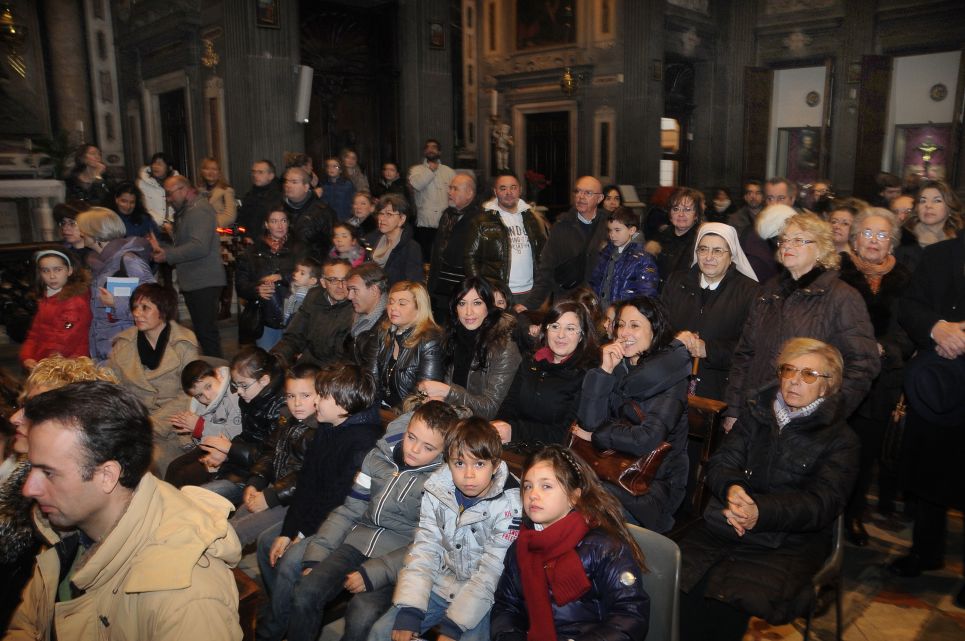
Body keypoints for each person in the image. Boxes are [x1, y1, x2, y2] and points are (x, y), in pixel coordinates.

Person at [8, 380, 242, 641]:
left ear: (107, 475)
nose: (28, 488)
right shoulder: (65, 527)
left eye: (49, 473)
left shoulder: (188, 601)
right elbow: (26, 627)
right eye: (33, 467)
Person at [678, 338, 859, 641]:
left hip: (788, 542)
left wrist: (760, 512)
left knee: (727, 602)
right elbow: (722, 461)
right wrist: (733, 489)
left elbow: (821, 503)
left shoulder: (841, 440)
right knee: (671, 584)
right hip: (726, 524)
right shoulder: (757, 414)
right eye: (789, 370)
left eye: (809, 374)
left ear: (827, 386)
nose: (794, 381)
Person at [282, 401, 459, 641]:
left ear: (443, 451)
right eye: (411, 437)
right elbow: (350, 509)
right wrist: (318, 554)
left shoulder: (441, 486)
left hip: (398, 559)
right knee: (306, 590)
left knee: (362, 613)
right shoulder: (378, 457)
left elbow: (425, 545)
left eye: (428, 447)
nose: (415, 449)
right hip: (357, 541)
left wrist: (372, 573)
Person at [256, 363, 382, 641]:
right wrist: (289, 530)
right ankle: (281, 611)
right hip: (319, 514)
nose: (315, 402)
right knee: (267, 542)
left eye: (321, 396)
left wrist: (301, 536)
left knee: (291, 561)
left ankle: (272, 630)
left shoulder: (363, 443)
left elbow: (338, 502)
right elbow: (308, 481)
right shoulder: (329, 425)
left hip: (344, 525)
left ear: (343, 404)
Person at [366, 417, 522, 641]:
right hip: (441, 581)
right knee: (381, 632)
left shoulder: (510, 505)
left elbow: (491, 572)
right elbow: (425, 548)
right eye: (459, 463)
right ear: (448, 462)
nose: (469, 475)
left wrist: (454, 626)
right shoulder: (436, 487)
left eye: (479, 464)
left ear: (495, 465)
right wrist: (411, 610)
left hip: (485, 596)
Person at [722, 213, 880, 433]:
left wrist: (825, 415)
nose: (787, 245)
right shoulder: (769, 290)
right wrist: (733, 409)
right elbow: (744, 354)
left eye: (798, 240)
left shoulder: (842, 297)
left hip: (806, 421)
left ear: (821, 248)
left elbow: (863, 364)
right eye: (784, 240)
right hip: (755, 413)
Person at [0, 356, 118, 635]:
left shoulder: (59, 508)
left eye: (34, 410)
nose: (15, 418)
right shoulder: (25, 480)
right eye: (21, 405)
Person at [491, 444, 650, 640]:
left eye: (546, 486)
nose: (533, 494)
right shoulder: (521, 547)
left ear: (574, 497)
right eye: (528, 486)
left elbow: (630, 614)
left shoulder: (604, 547)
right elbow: (506, 607)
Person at [890, 229, 965, 607]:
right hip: (937, 384)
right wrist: (938, 328)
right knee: (930, 471)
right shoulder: (938, 254)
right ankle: (925, 550)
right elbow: (910, 306)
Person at [574, 297, 691, 533]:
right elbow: (587, 422)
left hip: (649, 484)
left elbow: (646, 439)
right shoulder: (619, 364)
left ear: (655, 330)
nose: (624, 332)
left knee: (580, 512)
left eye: (635, 325)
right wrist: (604, 371)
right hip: (608, 469)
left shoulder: (670, 376)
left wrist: (597, 435)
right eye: (621, 325)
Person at [837, 208, 913, 544]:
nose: (874, 240)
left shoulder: (906, 280)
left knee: (865, 454)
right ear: (854, 239)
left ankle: (854, 514)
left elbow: (912, 328)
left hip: (883, 380)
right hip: (840, 375)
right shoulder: (837, 273)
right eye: (867, 233)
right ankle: (828, 517)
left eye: (882, 235)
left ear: (892, 243)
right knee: (832, 450)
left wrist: (886, 348)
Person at [106, 283, 200, 474]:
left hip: (173, 428)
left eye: (145, 308)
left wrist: (151, 425)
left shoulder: (184, 343)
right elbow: (113, 389)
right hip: (133, 424)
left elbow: (190, 393)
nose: (137, 313)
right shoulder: (123, 344)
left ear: (163, 311)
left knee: (149, 467)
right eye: (135, 307)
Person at [662, 222, 759, 401]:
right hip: (672, 383)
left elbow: (752, 347)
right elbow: (659, 327)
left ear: (731, 255)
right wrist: (676, 338)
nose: (708, 257)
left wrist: (710, 350)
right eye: (703, 249)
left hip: (719, 388)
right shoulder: (677, 282)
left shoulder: (750, 292)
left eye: (717, 251)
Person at [226, 363, 320, 545]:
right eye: (291, 396)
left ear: (321, 394)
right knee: (232, 523)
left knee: (238, 533)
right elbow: (270, 452)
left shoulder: (320, 431)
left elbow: (307, 475)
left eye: (305, 395)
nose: (297, 403)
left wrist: (271, 497)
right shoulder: (286, 419)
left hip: (294, 501)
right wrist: (256, 482)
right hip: (275, 490)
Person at [493, 300, 600, 445]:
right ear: (546, 330)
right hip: (511, 445)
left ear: (581, 336)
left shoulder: (586, 375)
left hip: (549, 452)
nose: (561, 335)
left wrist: (515, 431)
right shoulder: (531, 361)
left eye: (570, 329)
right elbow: (509, 405)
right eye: (555, 326)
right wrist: (497, 428)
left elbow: (565, 434)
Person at [418, 277, 521, 418]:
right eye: (462, 303)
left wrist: (448, 392)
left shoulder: (504, 347)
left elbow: (490, 409)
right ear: (455, 308)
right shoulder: (452, 337)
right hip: (452, 417)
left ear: (489, 306)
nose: (468, 312)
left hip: (481, 427)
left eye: (477, 303)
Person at [151, 175, 227, 357]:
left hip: (204, 281)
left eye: (170, 194)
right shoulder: (189, 210)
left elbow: (199, 246)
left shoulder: (199, 210)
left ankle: (217, 370)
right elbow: (186, 244)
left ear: (184, 189)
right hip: (197, 280)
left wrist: (167, 255)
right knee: (204, 333)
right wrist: (163, 248)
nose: (168, 199)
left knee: (207, 334)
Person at [75, 207, 155, 362]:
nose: (81, 234)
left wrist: (116, 303)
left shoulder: (129, 261)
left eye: (83, 229)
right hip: (104, 346)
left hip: (126, 348)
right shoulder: (97, 262)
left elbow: (154, 303)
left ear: (95, 232)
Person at [525, 175, 608, 309]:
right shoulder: (562, 226)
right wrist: (531, 304)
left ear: (600, 198)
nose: (581, 196)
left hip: (600, 304)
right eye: (578, 191)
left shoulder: (609, 226)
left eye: (588, 193)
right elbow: (546, 268)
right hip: (568, 302)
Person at [465, 173, 547, 306]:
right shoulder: (481, 221)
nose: (508, 192)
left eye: (513, 187)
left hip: (530, 292)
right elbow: (470, 258)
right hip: (497, 293)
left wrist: (540, 287)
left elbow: (544, 254)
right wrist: (481, 288)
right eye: (503, 188)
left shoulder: (533, 218)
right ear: (495, 191)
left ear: (520, 190)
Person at [363, 280, 443, 410]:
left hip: (407, 414)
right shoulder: (382, 332)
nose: (393, 308)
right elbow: (370, 378)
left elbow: (422, 396)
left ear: (419, 308)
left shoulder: (430, 341)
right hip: (378, 408)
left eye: (402, 303)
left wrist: (393, 415)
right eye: (391, 302)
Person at [163, 360, 244, 482]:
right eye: (199, 395)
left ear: (218, 375)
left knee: (185, 475)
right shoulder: (200, 404)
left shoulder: (235, 396)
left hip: (231, 453)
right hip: (210, 445)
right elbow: (201, 442)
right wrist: (194, 430)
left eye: (208, 386)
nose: (207, 396)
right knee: (173, 467)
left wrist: (199, 427)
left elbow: (232, 437)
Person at [235, 207, 299, 350]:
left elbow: (312, 276)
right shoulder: (251, 253)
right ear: (266, 225)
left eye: (283, 220)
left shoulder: (299, 249)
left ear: (288, 223)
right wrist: (257, 290)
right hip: (266, 317)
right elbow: (241, 286)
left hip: (295, 316)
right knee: (267, 358)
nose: (280, 225)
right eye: (274, 221)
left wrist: (283, 277)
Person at [271, 258, 354, 367]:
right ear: (323, 283)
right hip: (307, 365)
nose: (340, 286)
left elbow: (348, 357)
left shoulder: (357, 307)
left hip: (336, 372)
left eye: (345, 279)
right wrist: (274, 360)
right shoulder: (314, 296)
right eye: (333, 280)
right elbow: (294, 337)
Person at [20, 250, 92, 370]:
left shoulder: (75, 301)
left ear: (69, 270)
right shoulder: (47, 298)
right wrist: (27, 357)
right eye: (45, 271)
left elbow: (66, 338)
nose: (52, 276)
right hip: (48, 363)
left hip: (69, 365)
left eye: (58, 269)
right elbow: (35, 333)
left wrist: (43, 363)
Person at [428, 173, 480, 321]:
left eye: (455, 189)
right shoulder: (447, 214)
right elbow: (437, 249)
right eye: (450, 188)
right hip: (439, 287)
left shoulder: (479, 218)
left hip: (462, 289)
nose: (449, 192)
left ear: (469, 193)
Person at [589, 206, 659, 308]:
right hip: (602, 312)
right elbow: (595, 283)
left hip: (624, 314)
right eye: (610, 230)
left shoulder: (643, 260)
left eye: (617, 230)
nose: (612, 235)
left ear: (632, 230)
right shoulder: (606, 253)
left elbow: (647, 295)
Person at [898, 179, 963, 274]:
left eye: (937, 200)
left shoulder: (959, 244)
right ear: (916, 208)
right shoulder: (901, 240)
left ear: (949, 207)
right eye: (923, 201)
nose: (928, 205)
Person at [408, 138, 457, 258]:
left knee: (443, 257)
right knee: (425, 257)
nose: (430, 150)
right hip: (425, 223)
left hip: (445, 223)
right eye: (427, 147)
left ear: (439, 152)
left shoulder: (449, 171)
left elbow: (454, 195)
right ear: (424, 151)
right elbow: (417, 185)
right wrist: (430, 170)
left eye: (434, 147)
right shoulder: (416, 170)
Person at [366, 193, 424, 285]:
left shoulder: (411, 248)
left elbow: (413, 284)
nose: (382, 218)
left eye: (389, 214)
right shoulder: (371, 239)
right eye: (381, 213)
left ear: (402, 219)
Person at [652, 187, 704, 288]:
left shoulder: (701, 241)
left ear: (696, 215)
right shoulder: (660, 237)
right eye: (675, 209)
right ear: (670, 214)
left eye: (687, 210)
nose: (680, 214)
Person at [282, 166, 338, 262]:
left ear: (306, 187)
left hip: (312, 265)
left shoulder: (323, 212)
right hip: (282, 263)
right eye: (287, 181)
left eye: (294, 182)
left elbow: (333, 244)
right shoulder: (278, 209)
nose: (288, 185)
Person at [344, 262, 389, 361]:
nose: (349, 296)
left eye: (354, 290)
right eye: (349, 290)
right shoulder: (356, 313)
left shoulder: (388, 324)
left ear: (374, 290)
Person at [238, 159, 282, 240]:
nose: (255, 175)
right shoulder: (250, 195)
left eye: (260, 172)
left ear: (271, 176)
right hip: (250, 241)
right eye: (253, 172)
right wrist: (245, 235)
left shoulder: (279, 196)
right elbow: (242, 220)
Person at [138, 152, 177, 225]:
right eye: (154, 163)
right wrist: (162, 222)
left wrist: (172, 222)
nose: (155, 166)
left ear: (169, 167)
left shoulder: (178, 183)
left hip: (174, 225)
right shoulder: (142, 184)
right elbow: (142, 208)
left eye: (159, 164)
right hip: (152, 225)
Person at [197, 156, 237, 228]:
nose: (210, 172)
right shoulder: (198, 192)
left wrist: (209, 224)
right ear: (202, 171)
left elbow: (230, 216)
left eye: (214, 169)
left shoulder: (226, 190)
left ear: (219, 172)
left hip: (219, 232)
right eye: (207, 169)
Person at [320, 156, 356, 221]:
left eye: (335, 166)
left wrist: (352, 221)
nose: (331, 169)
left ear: (341, 170)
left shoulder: (348, 184)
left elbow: (354, 203)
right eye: (329, 166)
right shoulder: (324, 185)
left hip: (344, 219)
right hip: (328, 220)